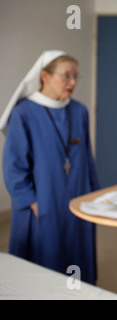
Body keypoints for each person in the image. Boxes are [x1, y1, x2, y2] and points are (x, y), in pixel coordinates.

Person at [1, 50, 100, 285]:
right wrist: (32, 202)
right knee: (44, 261)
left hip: (78, 198)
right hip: (41, 203)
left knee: (76, 253)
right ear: (44, 76)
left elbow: (87, 158)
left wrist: (95, 195)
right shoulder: (23, 113)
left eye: (76, 77)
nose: (72, 83)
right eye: (66, 76)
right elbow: (14, 166)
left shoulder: (79, 111)